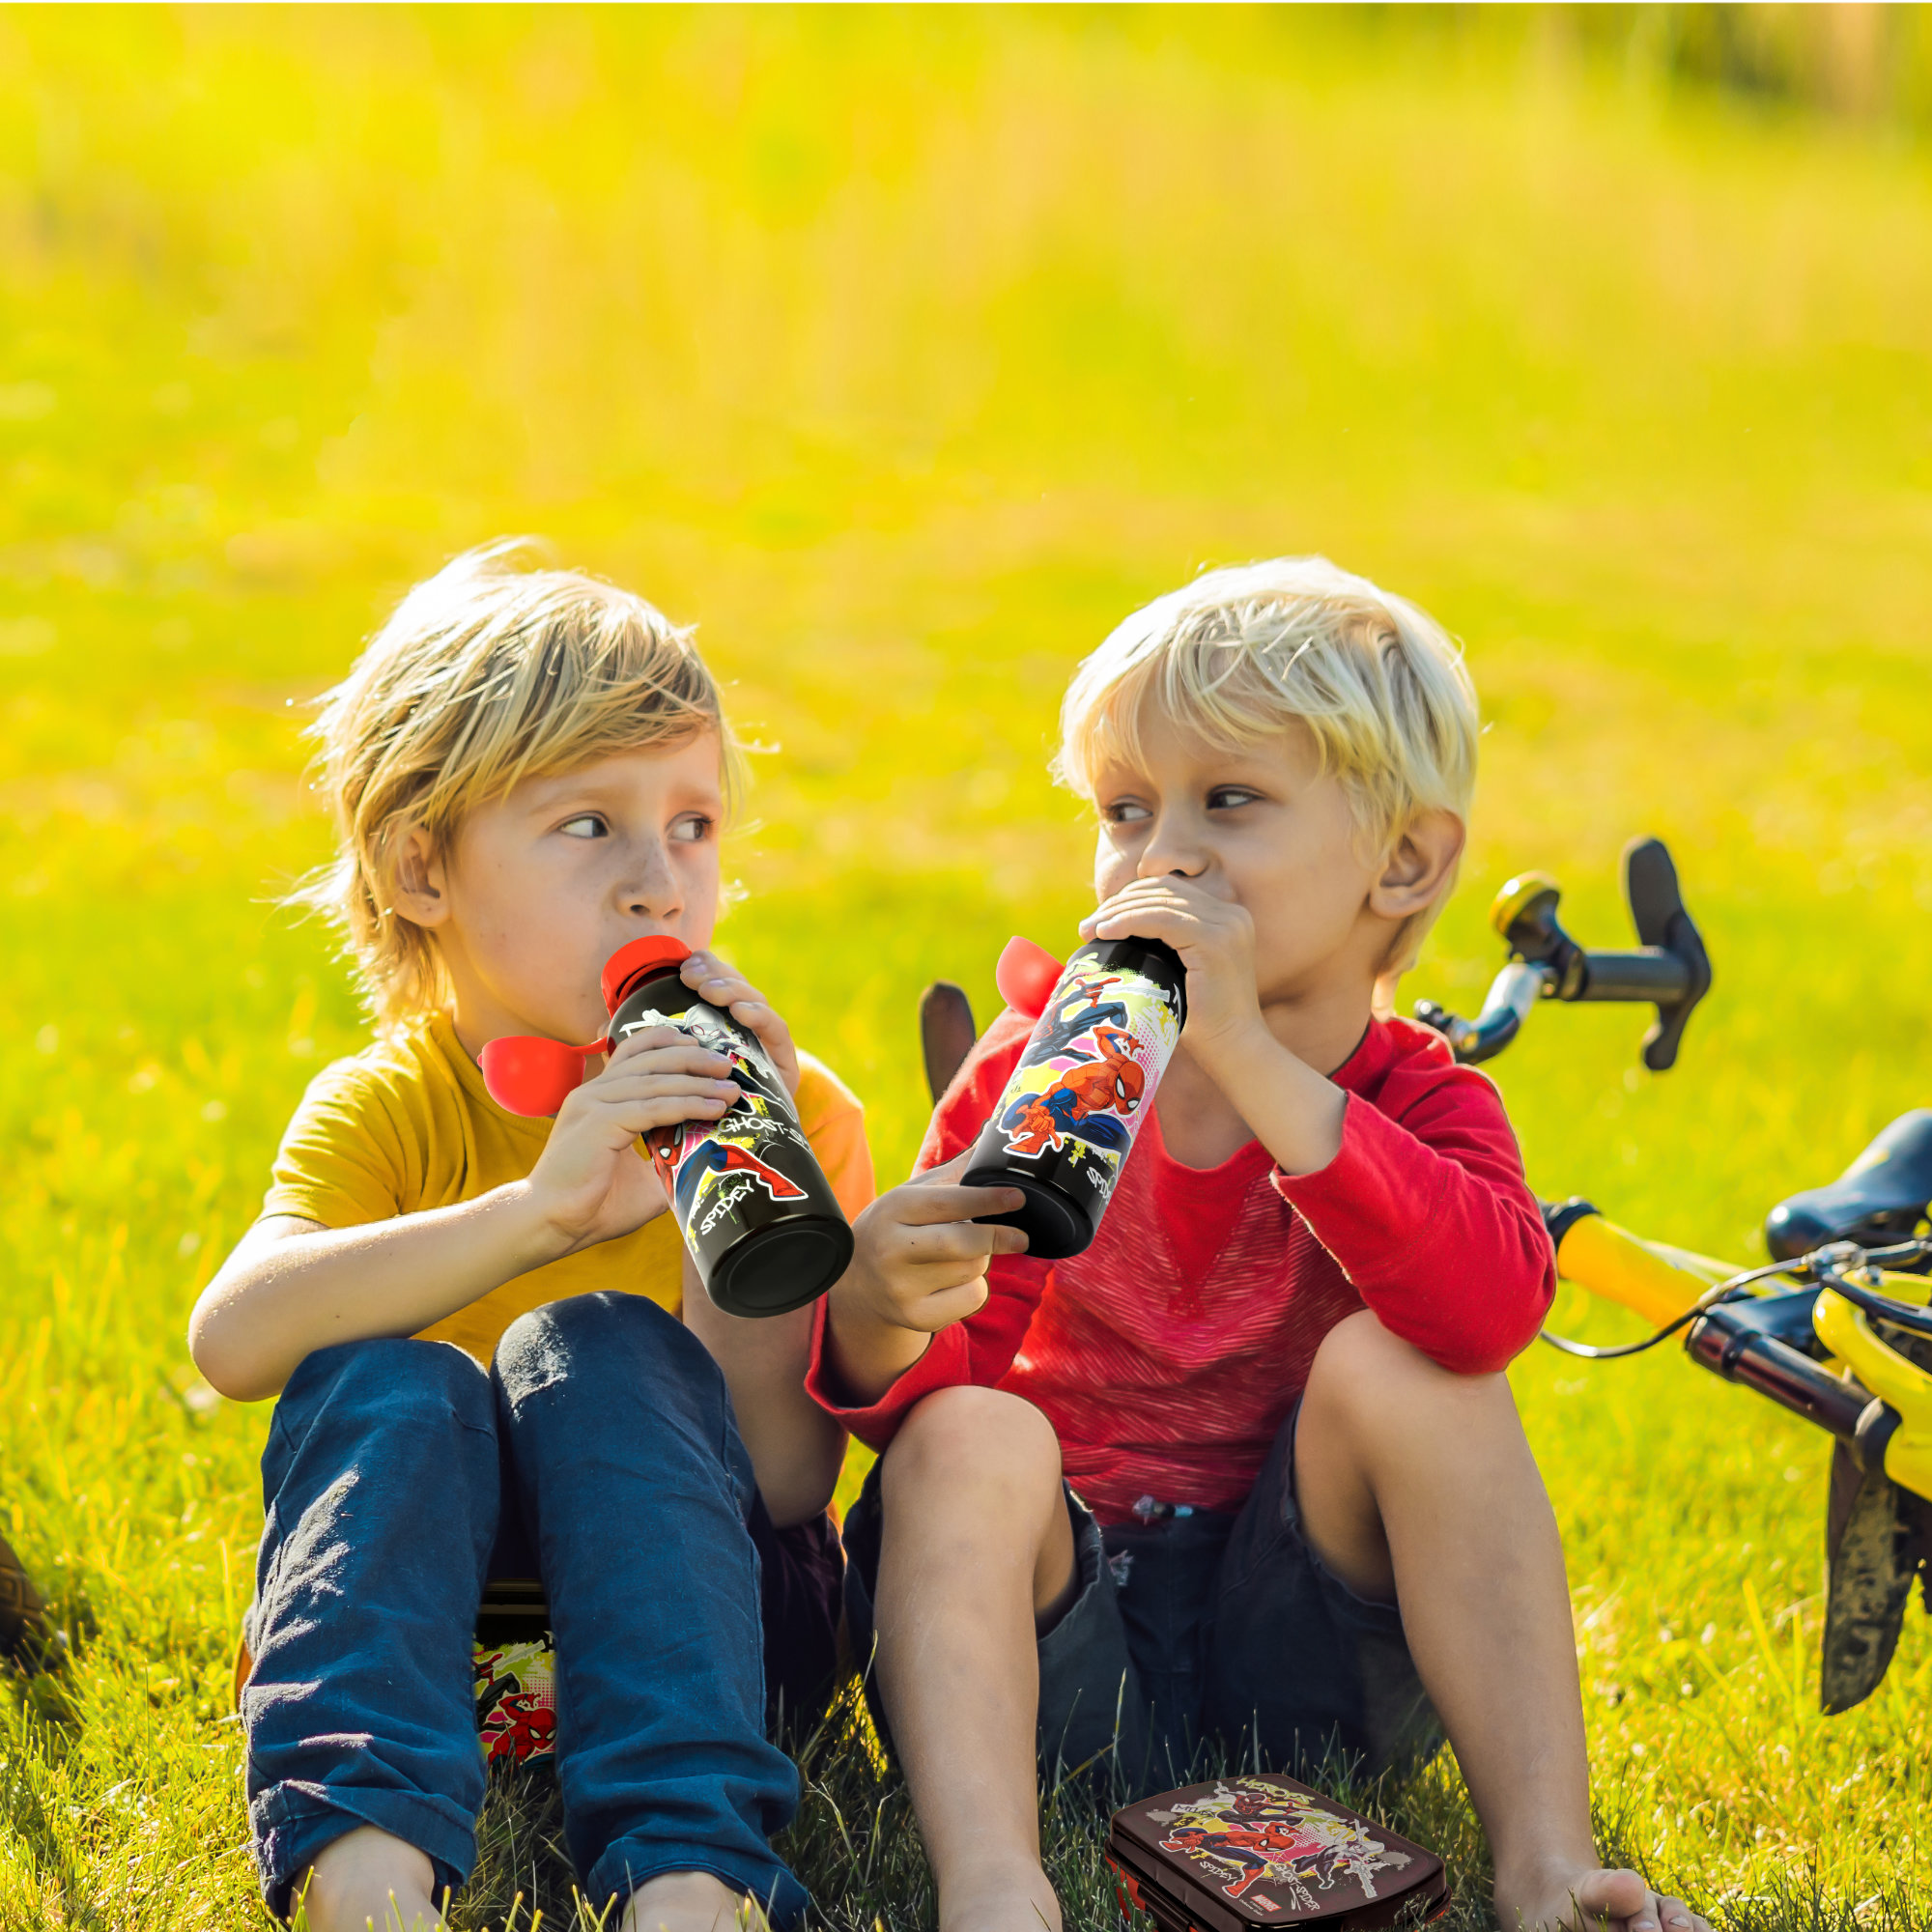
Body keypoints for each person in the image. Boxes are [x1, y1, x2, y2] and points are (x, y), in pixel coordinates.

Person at [810, 559, 1711, 1932]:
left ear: (1402, 860)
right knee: (971, 1440)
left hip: (1307, 1644)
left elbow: (1485, 1316)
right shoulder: (1049, 1073)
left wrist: (1248, 1055)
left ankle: (1547, 1864)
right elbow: (926, 1410)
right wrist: (881, 1307)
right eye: (1125, 810)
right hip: (1063, 1638)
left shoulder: (1422, 1097)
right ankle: (994, 1882)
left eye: (1229, 801)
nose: (1161, 852)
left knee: (1412, 1371)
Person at [188, 544, 873, 1932]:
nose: (657, 885)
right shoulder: (392, 1102)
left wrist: (743, 1201)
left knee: (599, 1342)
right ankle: (364, 1876)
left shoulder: (787, 1110)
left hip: (710, 1647)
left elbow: (793, 1485)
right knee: (391, 1377)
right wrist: (534, 1215)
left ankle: (690, 1879)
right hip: (442, 1653)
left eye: (692, 827)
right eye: (588, 828)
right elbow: (237, 1334)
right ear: (422, 867)